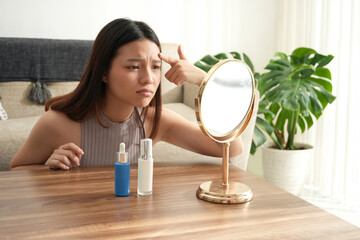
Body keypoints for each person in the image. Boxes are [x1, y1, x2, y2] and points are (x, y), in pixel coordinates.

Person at [9, 18, 243, 170]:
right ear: (103, 72)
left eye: (155, 66)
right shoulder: (57, 123)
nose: (148, 79)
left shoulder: (155, 121)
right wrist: (48, 165)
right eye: (133, 66)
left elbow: (232, 148)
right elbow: (16, 170)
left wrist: (207, 80)